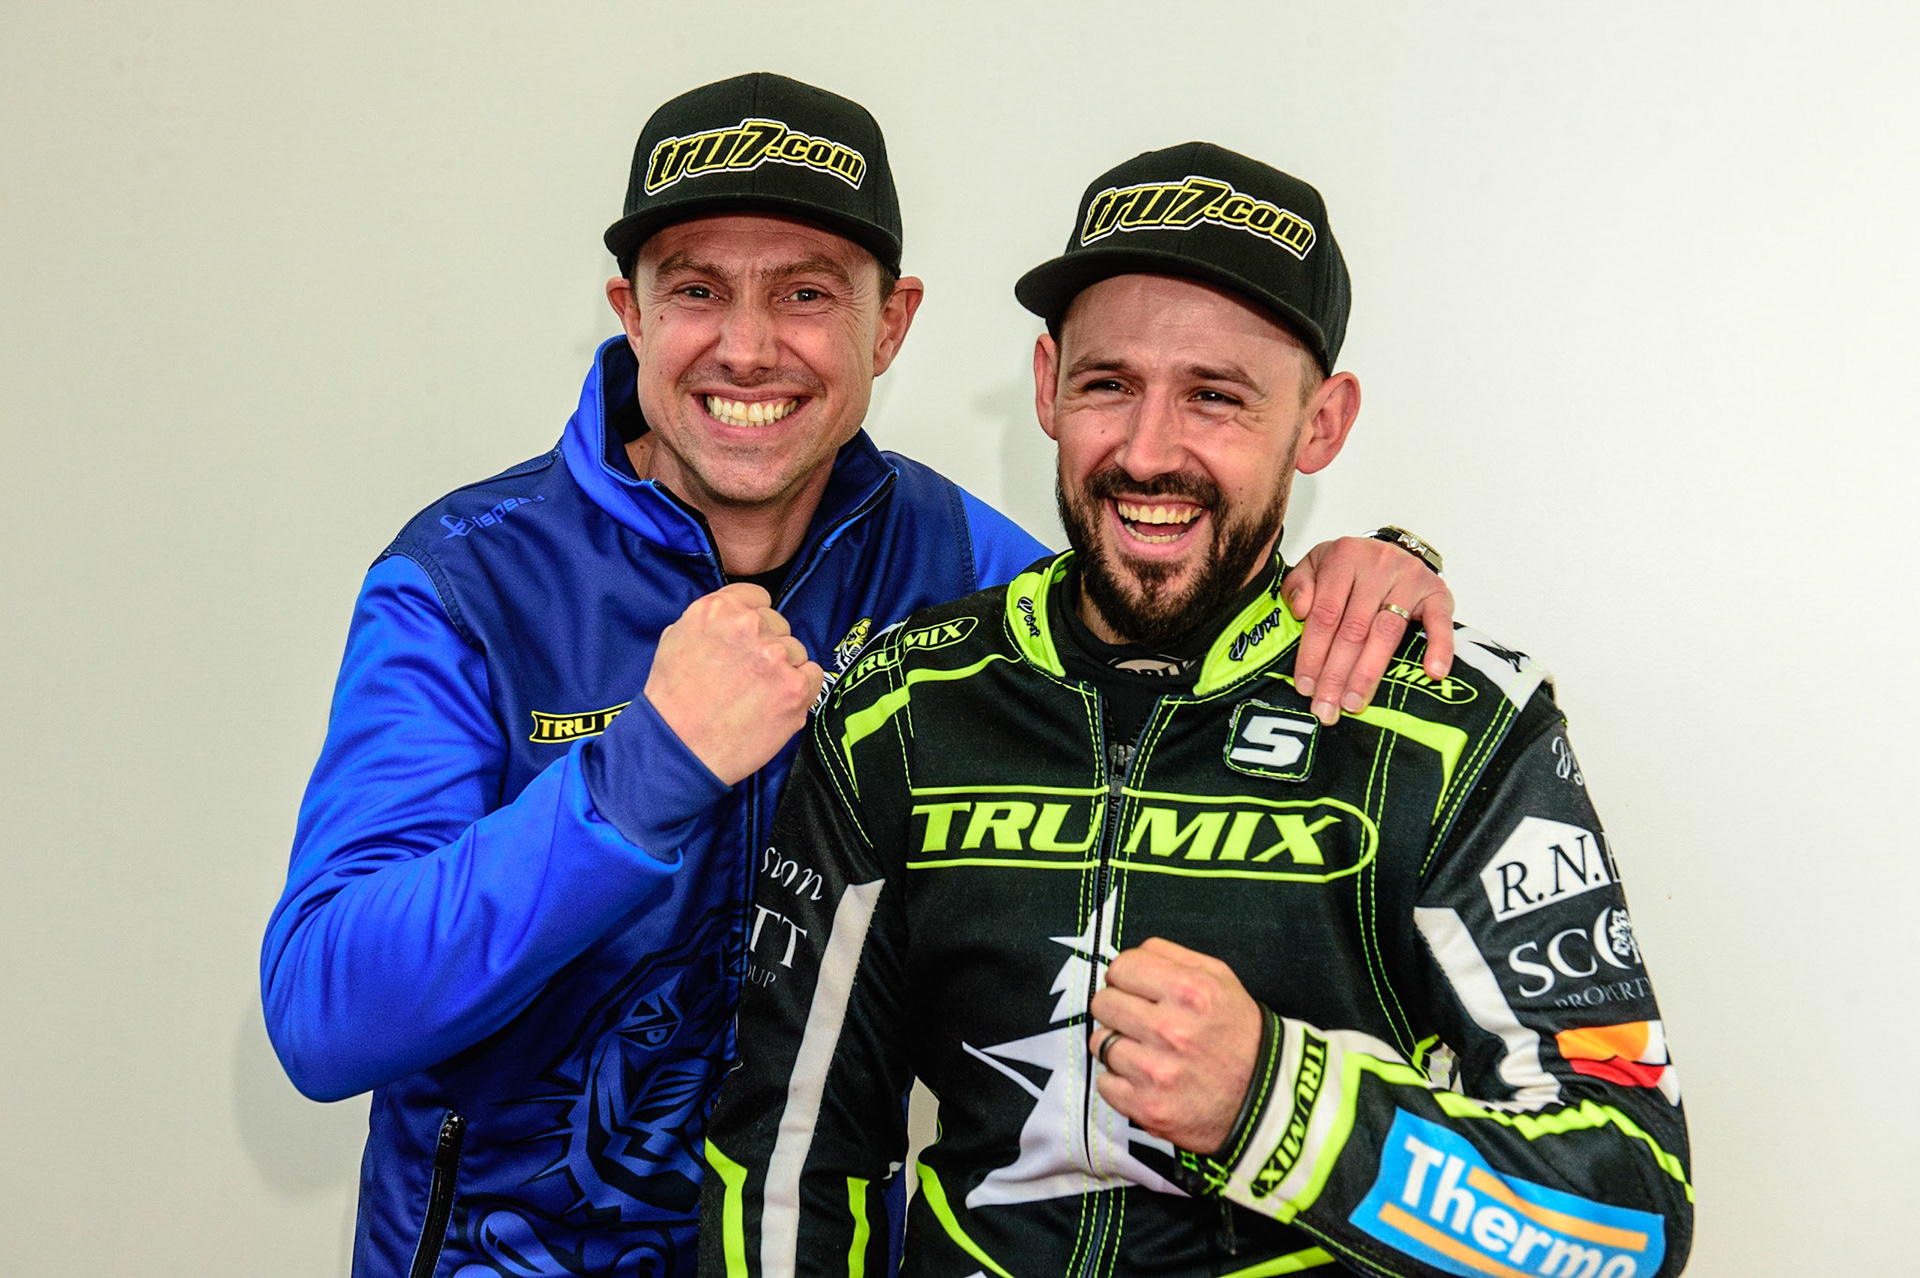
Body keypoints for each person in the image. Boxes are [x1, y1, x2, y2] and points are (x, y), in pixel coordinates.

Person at [259, 78, 1453, 1278]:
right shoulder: (467, 583)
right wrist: (642, 770)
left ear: (892, 324)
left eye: (807, 293)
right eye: (695, 289)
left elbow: (1166, 602)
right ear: (629, 312)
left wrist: (1364, 574)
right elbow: (322, 1015)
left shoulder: (958, 568)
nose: (745, 346)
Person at [699, 143, 1692, 1278]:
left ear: (1321, 424)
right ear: (1044, 386)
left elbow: (1631, 1219)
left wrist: (1281, 1106)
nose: (1148, 452)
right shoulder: (900, 706)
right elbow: (791, 1161)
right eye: (1108, 385)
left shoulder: (1456, 733)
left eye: (1216, 396)